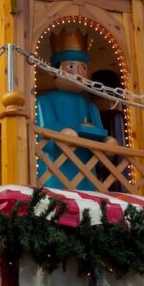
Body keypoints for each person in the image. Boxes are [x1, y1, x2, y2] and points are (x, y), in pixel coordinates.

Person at [35, 28, 113, 190]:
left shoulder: (91, 107)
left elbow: (100, 133)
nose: (79, 74)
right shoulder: (45, 100)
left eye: (83, 68)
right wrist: (63, 132)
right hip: (56, 168)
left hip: (86, 169)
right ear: (56, 71)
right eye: (71, 66)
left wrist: (107, 143)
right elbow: (43, 129)